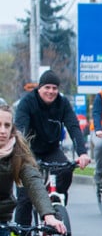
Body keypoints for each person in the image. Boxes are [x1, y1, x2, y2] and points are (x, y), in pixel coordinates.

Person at [13, 70, 91, 225]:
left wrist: (82, 153)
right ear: (40, 88)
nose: (51, 91)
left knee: (66, 169)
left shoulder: (62, 103)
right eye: (47, 87)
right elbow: (21, 130)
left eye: (54, 88)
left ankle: (56, 200)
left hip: (51, 149)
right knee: (25, 197)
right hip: (28, 150)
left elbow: (73, 126)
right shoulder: (27, 102)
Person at [0, 104, 66, 236]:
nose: (3, 131)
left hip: (2, 217)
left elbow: (33, 182)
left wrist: (48, 215)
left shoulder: (17, 151)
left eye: (7, 125)